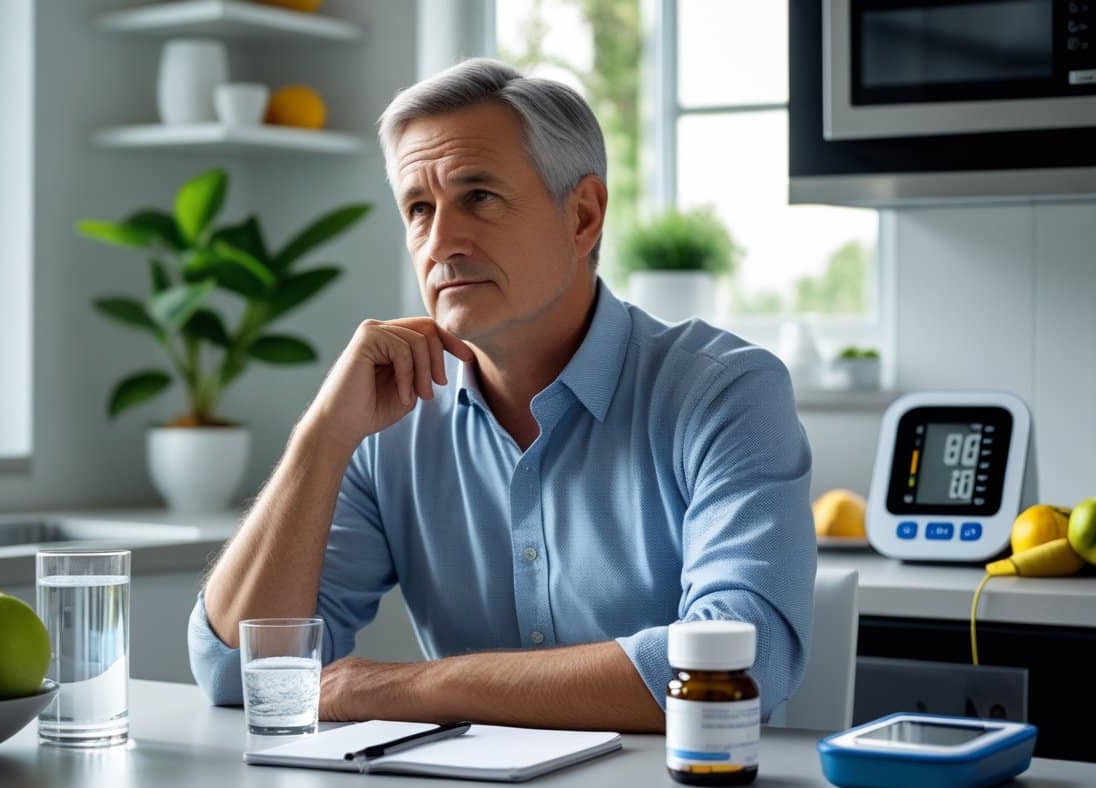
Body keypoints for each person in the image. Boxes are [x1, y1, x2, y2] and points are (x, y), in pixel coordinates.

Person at [188, 58, 816, 732]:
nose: (440, 243)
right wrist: (320, 438)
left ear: (583, 216)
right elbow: (236, 674)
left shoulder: (724, 393)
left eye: (479, 197)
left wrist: (404, 689)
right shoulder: (390, 417)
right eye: (418, 208)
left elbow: (738, 666)